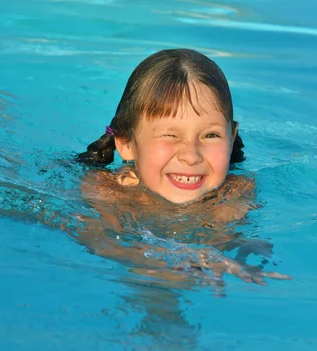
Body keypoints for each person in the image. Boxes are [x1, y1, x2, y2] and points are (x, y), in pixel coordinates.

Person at [69, 48, 290, 286]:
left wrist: (221, 254)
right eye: (169, 135)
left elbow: (218, 236)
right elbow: (101, 242)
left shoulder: (237, 190)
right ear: (126, 144)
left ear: (231, 135)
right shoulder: (104, 189)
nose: (191, 155)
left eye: (211, 135)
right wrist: (169, 263)